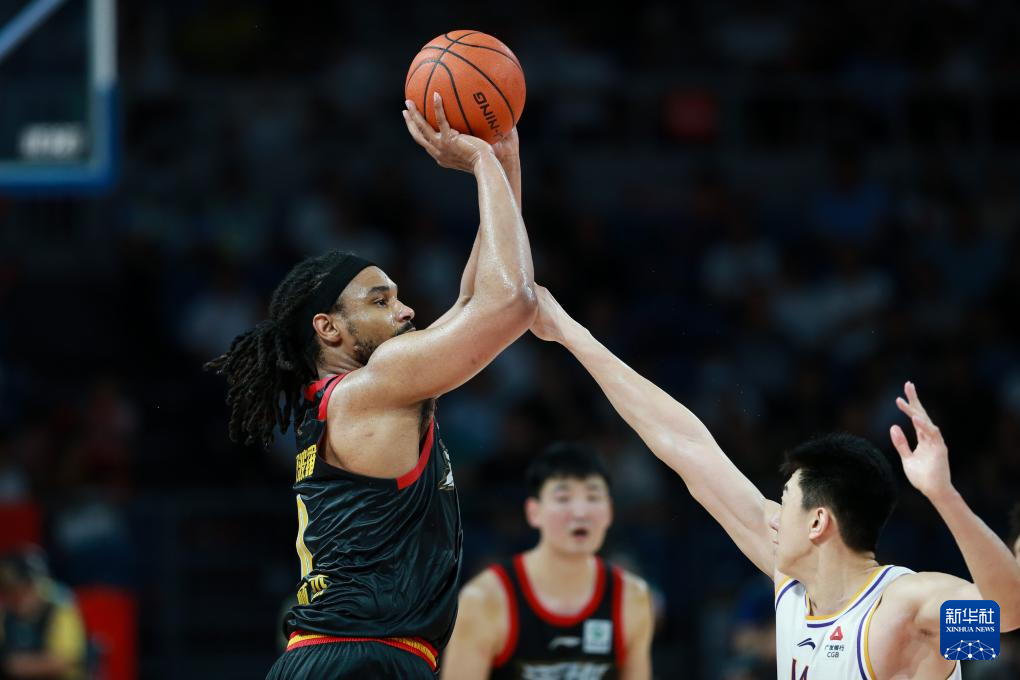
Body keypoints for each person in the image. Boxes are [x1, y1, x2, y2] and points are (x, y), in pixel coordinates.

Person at [206, 93, 537, 679]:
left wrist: (504, 163)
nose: (406, 311)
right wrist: (480, 163)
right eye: (381, 301)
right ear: (328, 328)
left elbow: (471, 300)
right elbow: (511, 303)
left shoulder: (360, 394)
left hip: (346, 655)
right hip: (361, 657)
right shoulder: (375, 387)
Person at [528, 286, 1020, 679]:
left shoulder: (904, 609)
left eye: (784, 502)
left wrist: (943, 496)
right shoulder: (793, 588)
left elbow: (1005, 617)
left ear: (818, 522)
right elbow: (687, 449)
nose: (772, 514)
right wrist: (570, 334)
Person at [442, 443, 654, 679]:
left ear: (610, 512)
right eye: (563, 498)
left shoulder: (632, 598)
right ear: (533, 512)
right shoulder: (484, 599)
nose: (580, 513)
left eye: (593, 497)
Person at [0, 547, 87, 680]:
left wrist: (13, 665)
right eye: (9, 590)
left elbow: (62, 662)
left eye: (24, 588)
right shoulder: (5, 611)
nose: (17, 597)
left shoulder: (60, 606)